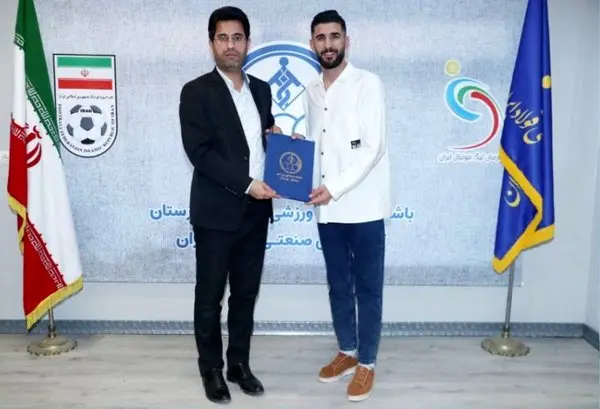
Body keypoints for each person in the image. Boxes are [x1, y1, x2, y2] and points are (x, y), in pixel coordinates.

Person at [178, 6, 281, 404]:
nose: (231, 45)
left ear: (247, 43)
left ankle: (239, 364)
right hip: (216, 213)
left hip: (256, 213)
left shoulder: (262, 90)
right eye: (223, 38)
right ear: (211, 44)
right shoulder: (196, 92)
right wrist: (248, 184)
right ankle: (212, 370)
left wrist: (279, 141)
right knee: (209, 299)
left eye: (237, 38)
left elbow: (260, 140)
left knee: (245, 295)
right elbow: (200, 153)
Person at [296, 9, 392, 402]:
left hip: (364, 207)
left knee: (367, 288)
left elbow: (373, 148)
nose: (328, 44)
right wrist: (292, 145)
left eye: (334, 36)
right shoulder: (311, 90)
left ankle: (367, 362)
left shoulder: (368, 84)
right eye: (321, 38)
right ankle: (347, 351)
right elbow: (316, 145)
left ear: (346, 41)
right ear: (312, 44)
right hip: (327, 209)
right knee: (338, 284)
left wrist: (333, 188)